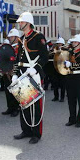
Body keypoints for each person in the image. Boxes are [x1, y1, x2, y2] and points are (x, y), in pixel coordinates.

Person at [12, 12, 48, 144]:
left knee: (35, 105)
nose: (20, 24)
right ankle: (26, 130)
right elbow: (18, 59)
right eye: (20, 22)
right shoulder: (22, 38)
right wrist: (15, 73)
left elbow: (45, 56)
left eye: (21, 22)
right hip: (22, 73)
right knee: (24, 104)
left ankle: (36, 133)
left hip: (33, 73)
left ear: (28, 23)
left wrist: (36, 69)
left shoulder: (38, 37)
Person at [63, 34, 80, 127]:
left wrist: (72, 65)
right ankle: (72, 119)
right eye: (73, 42)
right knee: (71, 100)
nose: (73, 43)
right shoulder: (70, 52)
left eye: (75, 42)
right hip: (70, 78)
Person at [1, 29, 20, 117]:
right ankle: (10, 107)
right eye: (9, 37)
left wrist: (14, 72)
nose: (9, 38)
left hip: (15, 72)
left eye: (12, 37)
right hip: (7, 71)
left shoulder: (19, 47)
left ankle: (16, 108)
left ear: (16, 37)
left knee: (15, 91)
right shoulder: (9, 47)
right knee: (7, 90)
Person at [52, 37, 66, 102]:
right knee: (55, 83)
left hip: (62, 69)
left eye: (60, 43)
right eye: (58, 44)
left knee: (63, 84)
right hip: (55, 69)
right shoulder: (54, 50)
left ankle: (62, 97)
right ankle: (56, 96)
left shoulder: (65, 50)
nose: (59, 45)